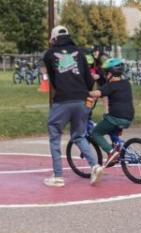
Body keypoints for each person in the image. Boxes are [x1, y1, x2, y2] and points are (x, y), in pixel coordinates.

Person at [42, 25, 98, 188]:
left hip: (63, 101)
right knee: (78, 136)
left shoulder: (49, 54)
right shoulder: (79, 52)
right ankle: (94, 166)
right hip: (81, 100)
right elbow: (89, 79)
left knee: (54, 134)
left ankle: (58, 175)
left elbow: (53, 80)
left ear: (53, 39)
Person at [86, 57, 134, 186]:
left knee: (96, 132)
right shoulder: (126, 83)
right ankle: (117, 146)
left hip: (116, 117)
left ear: (111, 73)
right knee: (108, 121)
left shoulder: (111, 85)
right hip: (128, 117)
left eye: (106, 72)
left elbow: (97, 93)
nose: (105, 75)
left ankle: (111, 152)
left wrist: (84, 93)